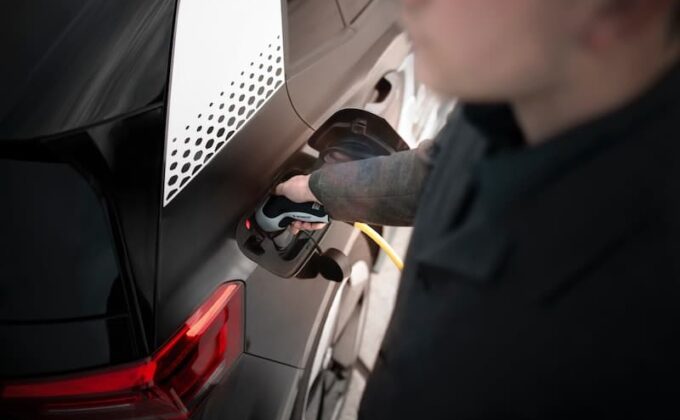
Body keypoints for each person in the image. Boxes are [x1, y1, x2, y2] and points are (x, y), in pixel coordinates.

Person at [276, 1, 680, 418]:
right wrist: (318, 187)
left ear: (627, 10)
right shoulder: (513, 96)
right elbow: (431, 174)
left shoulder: (642, 318)